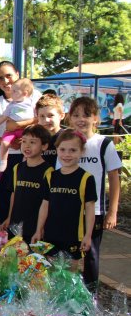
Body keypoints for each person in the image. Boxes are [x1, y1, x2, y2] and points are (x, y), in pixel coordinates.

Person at [61, 97, 121, 288]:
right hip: (68, 210)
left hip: (94, 212)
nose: (81, 119)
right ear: (69, 118)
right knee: (66, 254)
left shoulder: (103, 144)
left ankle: (90, 294)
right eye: (76, 115)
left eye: (86, 115)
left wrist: (112, 211)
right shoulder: (65, 144)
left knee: (91, 255)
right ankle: (66, 292)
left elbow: (114, 178)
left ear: (96, 118)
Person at [0, 61, 37, 224]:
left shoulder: (34, 98)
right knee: (0, 206)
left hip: (27, 159)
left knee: (25, 203)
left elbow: (41, 120)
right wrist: (8, 143)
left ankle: (22, 238)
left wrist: (18, 125)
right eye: (0, 78)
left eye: (8, 75)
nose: (5, 81)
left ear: (17, 74)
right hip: (1, 159)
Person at [32, 130, 96, 263]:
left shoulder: (86, 178)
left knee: (70, 272)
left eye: (73, 150)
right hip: (51, 235)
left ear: (82, 151)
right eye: (62, 150)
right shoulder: (50, 176)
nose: (67, 154)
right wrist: (38, 230)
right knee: (50, 270)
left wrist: (88, 235)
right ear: (56, 150)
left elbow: (90, 209)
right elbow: (45, 205)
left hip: (73, 236)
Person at [3, 124, 53, 241]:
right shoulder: (17, 168)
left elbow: (47, 202)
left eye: (32, 142)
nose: (27, 145)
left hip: (34, 228)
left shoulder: (48, 171)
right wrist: (9, 217)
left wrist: (40, 228)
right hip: (15, 226)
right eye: (24, 141)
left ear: (44, 146)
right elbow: (14, 194)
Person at [0, 78, 37, 173]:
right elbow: (3, 117)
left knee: (27, 145)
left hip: (26, 130)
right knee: (4, 143)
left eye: (14, 91)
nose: (11, 93)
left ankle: (26, 159)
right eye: (12, 91)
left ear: (25, 93)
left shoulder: (31, 103)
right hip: (11, 131)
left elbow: (37, 118)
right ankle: (3, 162)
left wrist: (23, 125)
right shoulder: (11, 105)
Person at [35, 93, 65, 168]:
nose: (46, 120)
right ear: (37, 117)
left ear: (61, 116)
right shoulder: (35, 139)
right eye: (42, 116)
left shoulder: (68, 137)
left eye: (50, 115)